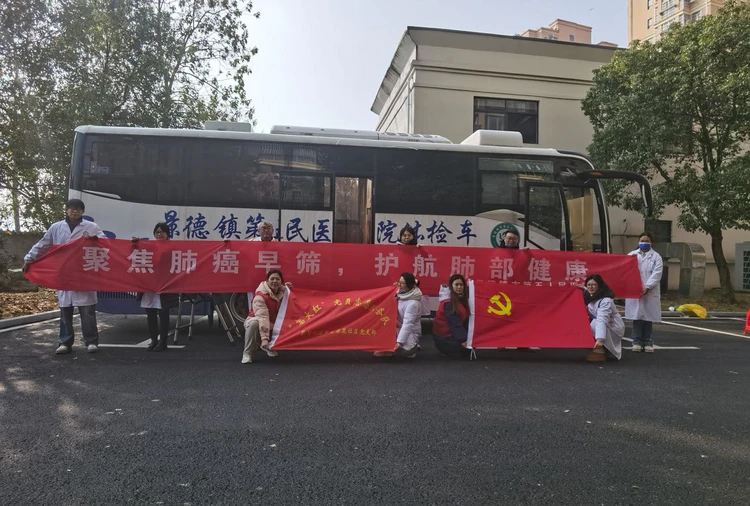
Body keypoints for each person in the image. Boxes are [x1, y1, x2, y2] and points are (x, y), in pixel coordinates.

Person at [22, 199, 106, 355]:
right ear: (66, 210)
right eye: (72, 208)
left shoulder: (91, 227)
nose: (75, 211)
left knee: (87, 312)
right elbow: (43, 244)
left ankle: (91, 341)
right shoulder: (56, 227)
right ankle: (65, 342)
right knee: (65, 311)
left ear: (83, 211)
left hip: (84, 274)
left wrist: (97, 241)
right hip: (64, 274)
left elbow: (106, 243)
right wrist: (29, 258)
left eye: (78, 209)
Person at [139, 223, 178, 352]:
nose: (159, 234)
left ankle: (163, 342)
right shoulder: (149, 246)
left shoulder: (172, 247)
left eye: (162, 232)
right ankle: (153, 340)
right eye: (157, 232)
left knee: (163, 313)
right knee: (150, 313)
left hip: (164, 284)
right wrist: (135, 245)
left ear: (167, 234)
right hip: (150, 284)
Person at [624, 233, 663, 353]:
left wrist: (648, 287)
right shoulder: (632, 255)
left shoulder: (656, 257)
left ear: (651, 242)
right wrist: (634, 286)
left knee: (648, 317)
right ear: (638, 241)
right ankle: (636, 341)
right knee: (636, 317)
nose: (644, 243)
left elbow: (657, 273)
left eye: (647, 241)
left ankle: (647, 341)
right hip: (635, 289)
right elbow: (625, 270)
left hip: (650, 291)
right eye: (642, 240)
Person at [241, 269, 287, 364]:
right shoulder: (260, 296)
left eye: (277, 279)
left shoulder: (282, 292)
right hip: (260, 320)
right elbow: (263, 318)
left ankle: (267, 346)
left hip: (273, 323)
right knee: (254, 323)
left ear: (281, 281)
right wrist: (264, 338)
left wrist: (287, 288)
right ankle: (247, 352)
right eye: (272, 279)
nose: (274, 281)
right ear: (267, 281)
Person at [375, 272, 423, 359]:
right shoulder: (400, 293)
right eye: (399, 282)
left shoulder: (413, 304)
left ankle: (412, 347)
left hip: (410, 331)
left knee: (406, 351)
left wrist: (400, 342)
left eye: (402, 283)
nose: (399, 285)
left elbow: (408, 324)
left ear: (409, 285)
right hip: (398, 327)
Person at [583, 274, 624, 362]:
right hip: (602, 324)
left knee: (593, 324)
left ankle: (600, 350)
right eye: (588, 285)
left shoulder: (606, 301)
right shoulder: (591, 296)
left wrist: (600, 339)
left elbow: (602, 319)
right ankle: (602, 348)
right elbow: (586, 290)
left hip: (613, 326)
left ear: (600, 286)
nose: (590, 287)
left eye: (594, 285)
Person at [432, 274, 471, 356]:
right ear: (451, 286)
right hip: (444, 339)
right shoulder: (448, 303)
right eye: (456, 285)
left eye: (461, 285)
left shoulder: (461, 299)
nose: (459, 287)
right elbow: (454, 324)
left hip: (450, 335)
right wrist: (463, 340)